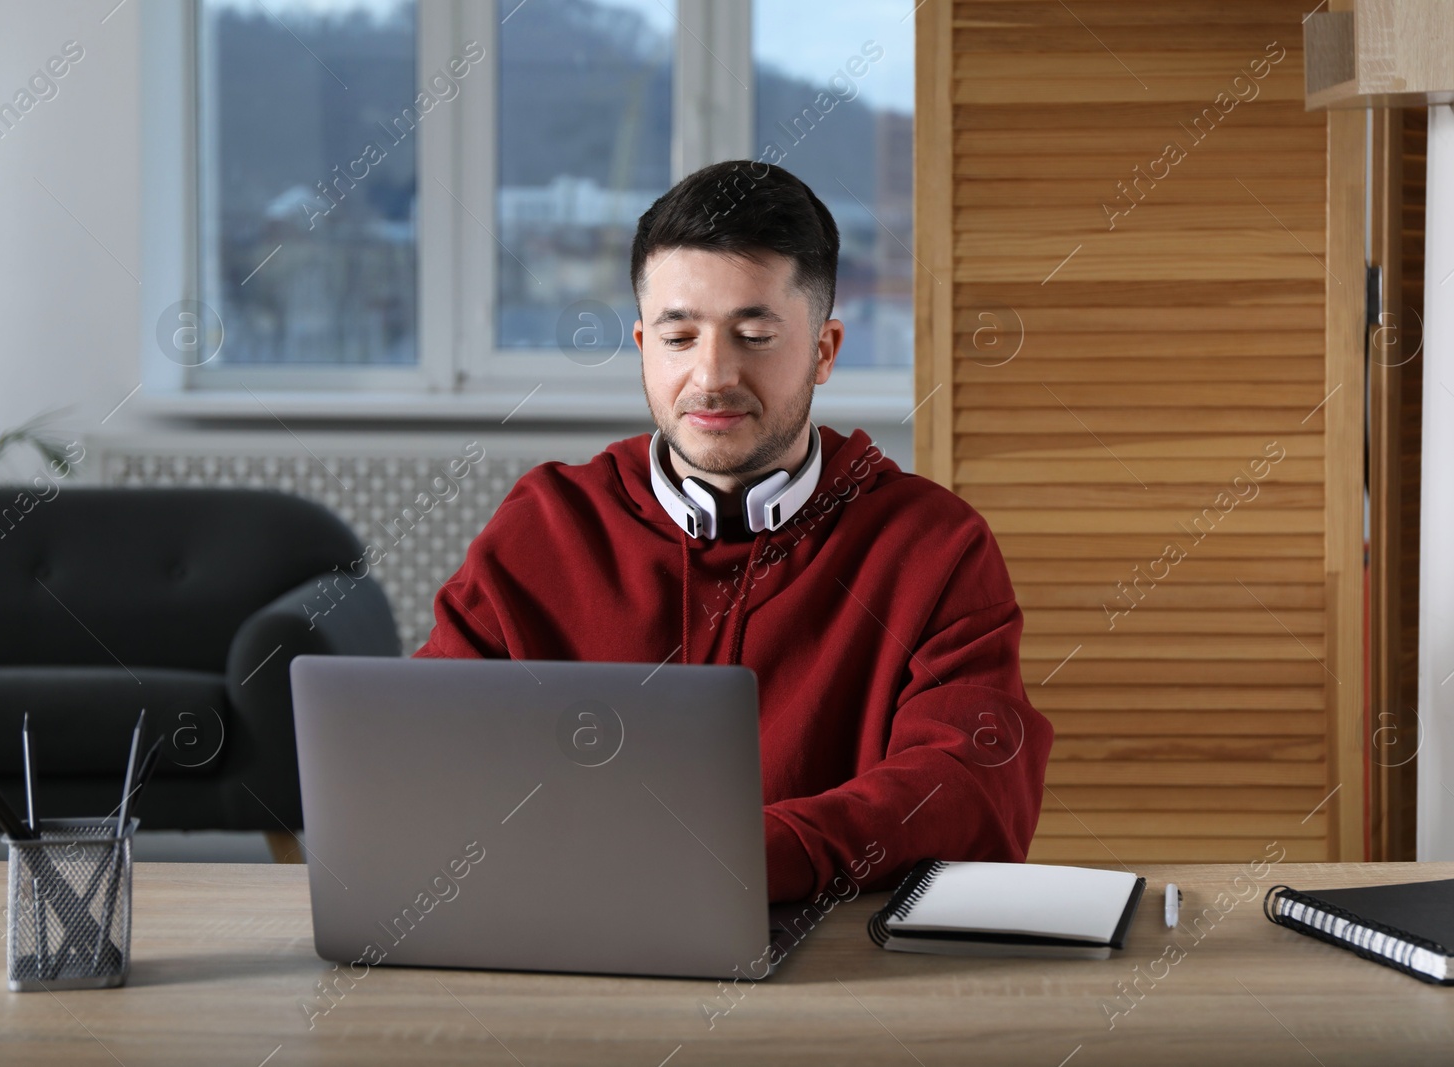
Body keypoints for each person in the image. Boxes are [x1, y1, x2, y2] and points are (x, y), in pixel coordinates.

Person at [415, 160, 1051, 903]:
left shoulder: (934, 544)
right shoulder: (545, 522)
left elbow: (971, 785)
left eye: (753, 335)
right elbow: (430, 743)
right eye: (679, 337)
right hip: (573, 931)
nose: (712, 376)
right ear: (643, 345)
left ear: (823, 351)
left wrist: (749, 855)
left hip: (823, 960)